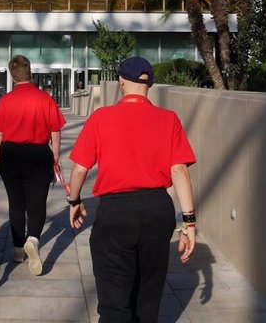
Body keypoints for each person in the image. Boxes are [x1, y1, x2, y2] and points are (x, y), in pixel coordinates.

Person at [67, 56, 196, 323]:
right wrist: (189, 222)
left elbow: (80, 169)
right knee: (148, 299)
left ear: (121, 82)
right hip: (157, 210)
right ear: (149, 85)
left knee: (115, 302)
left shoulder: (101, 117)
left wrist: (74, 200)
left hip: (115, 213)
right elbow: (179, 170)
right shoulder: (168, 119)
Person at [0, 55, 66, 275]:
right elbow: (55, 130)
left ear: (13, 77)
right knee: (37, 202)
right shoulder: (45, 99)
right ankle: (33, 239)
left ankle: (17, 249)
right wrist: (56, 157)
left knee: (16, 202)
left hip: (10, 155)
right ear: (30, 73)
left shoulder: (5, 100)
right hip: (38, 154)